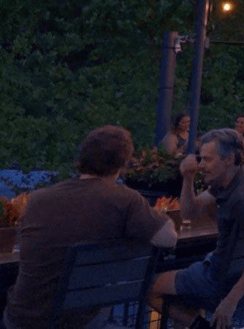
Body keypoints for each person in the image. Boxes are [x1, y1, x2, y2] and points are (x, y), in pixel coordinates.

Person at [5, 126, 177, 329]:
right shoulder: (124, 199)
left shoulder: (38, 199)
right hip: (79, 321)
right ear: (122, 164)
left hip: (20, 320)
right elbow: (169, 238)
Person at [149, 128, 244, 328]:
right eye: (200, 159)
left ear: (229, 159)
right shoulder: (238, 178)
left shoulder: (243, 201)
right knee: (184, 291)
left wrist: (231, 301)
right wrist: (188, 179)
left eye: (207, 159)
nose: (201, 166)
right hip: (225, 268)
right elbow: (189, 213)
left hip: (220, 280)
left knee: (148, 287)